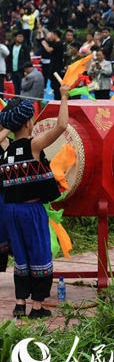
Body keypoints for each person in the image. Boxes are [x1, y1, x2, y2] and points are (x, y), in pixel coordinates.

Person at [0, 85, 71, 318]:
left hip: (10, 211)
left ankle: (20, 304)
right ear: (29, 123)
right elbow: (61, 126)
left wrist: (8, 125)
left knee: (21, 255)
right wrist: (63, 96)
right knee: (39, 254)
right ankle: (37, 308)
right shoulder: (32, 146)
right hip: (31, 210)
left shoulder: (5, 150)